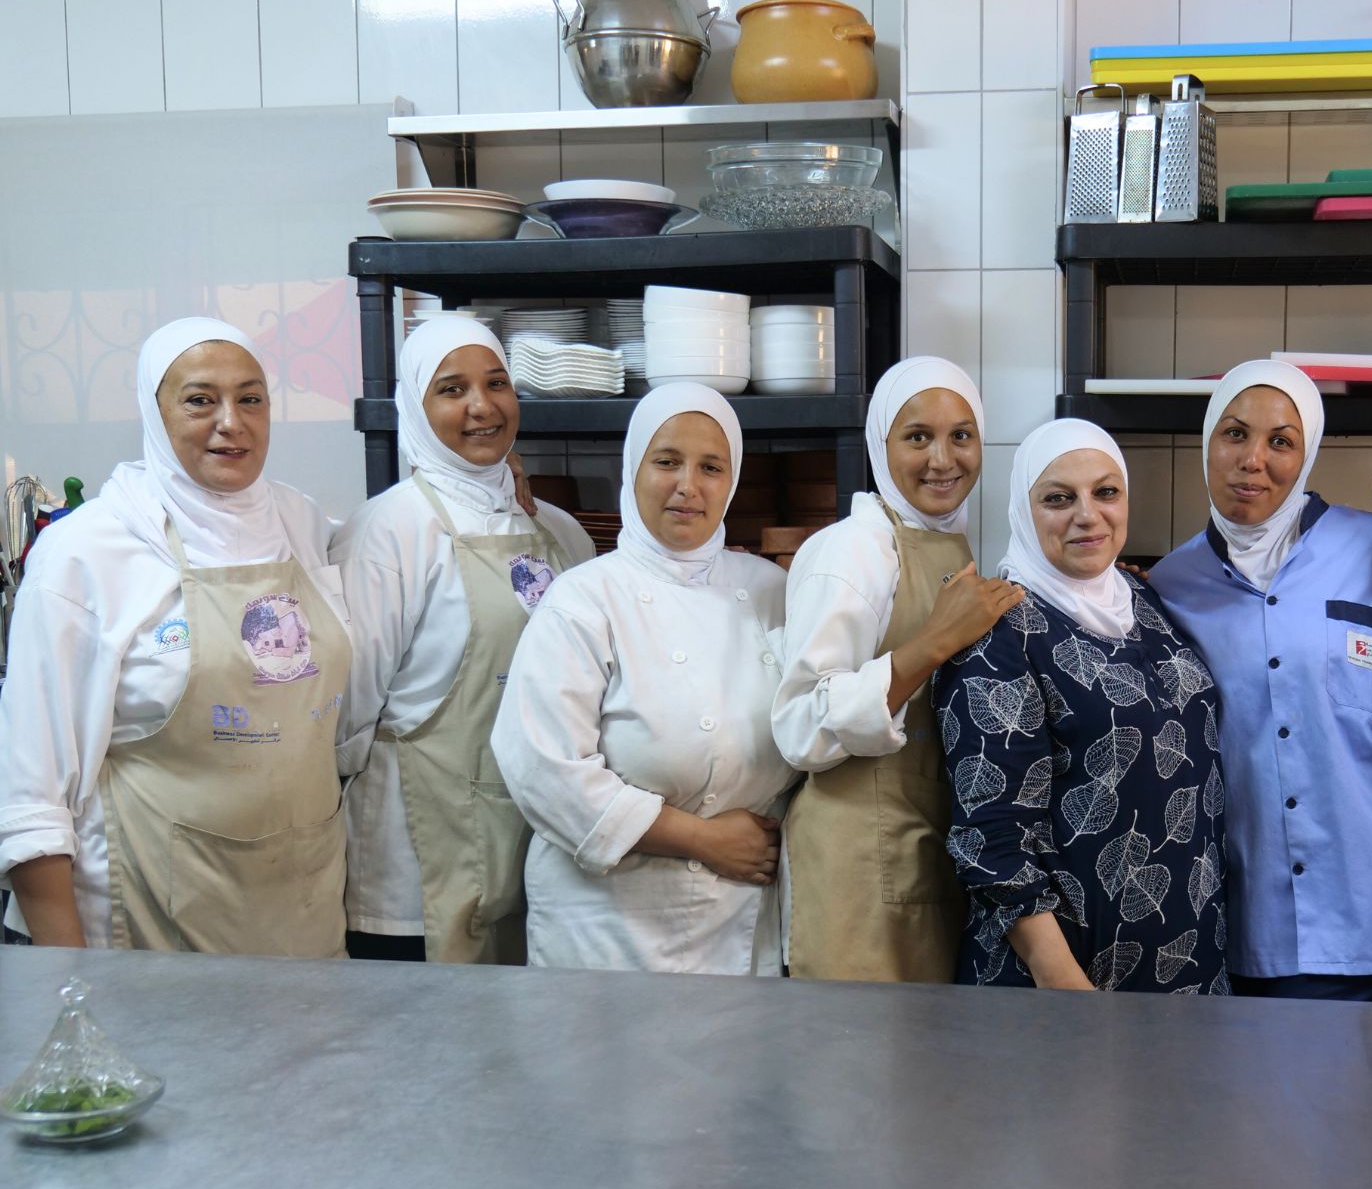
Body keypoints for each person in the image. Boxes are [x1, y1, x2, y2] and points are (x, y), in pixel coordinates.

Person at [0, 318, 349, 954]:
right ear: (153, 412)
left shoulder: (301, 522)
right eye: (198, 400)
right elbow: (32, 796)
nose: (231, 422)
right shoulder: (86, 552)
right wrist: (70, 982)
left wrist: (501, 486)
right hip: (145, 929)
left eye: (250, 398)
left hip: (301, 907)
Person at [1149, 363, 1372, 1000]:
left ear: (1306, 456)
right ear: (1208, 443)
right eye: (1234, 434)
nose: (1253, 460)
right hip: (1255, 921)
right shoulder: (1169, 586)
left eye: (1281, 441)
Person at [490, 385, 798, 973]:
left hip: (741, 913)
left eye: (711, 467)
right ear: (633, 468)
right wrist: (704, 839)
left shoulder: (771, 592)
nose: (689, 485)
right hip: (608, 921)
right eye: (667, 462)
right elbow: (545, 771)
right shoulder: (583, 601)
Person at [331, 315, 593, 964]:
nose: (481, 406)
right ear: (416, 409)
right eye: (451, 389)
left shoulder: (562, 534)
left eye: (496, 383)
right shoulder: (388, 532)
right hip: (411, 873)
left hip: (538, 854)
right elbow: (344, 716)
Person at [936, 419, 1229, 993]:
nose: (1088, 515)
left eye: (1106, 492)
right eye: (1058, 499)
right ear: (1024, 510)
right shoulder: (998, 634)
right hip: (1069, 978)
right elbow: (990, 840)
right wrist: (1068, 990)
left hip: (1188, 953)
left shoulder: (1142, 599)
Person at [773, 357, 1022, 983]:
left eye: (961, 436)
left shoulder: (949, 540)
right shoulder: (852, 550)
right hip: (855, 863)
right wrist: (932, 642)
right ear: (880, 446)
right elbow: (801, 725)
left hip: (923, 853)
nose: (943, 459)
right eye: (918, 438)